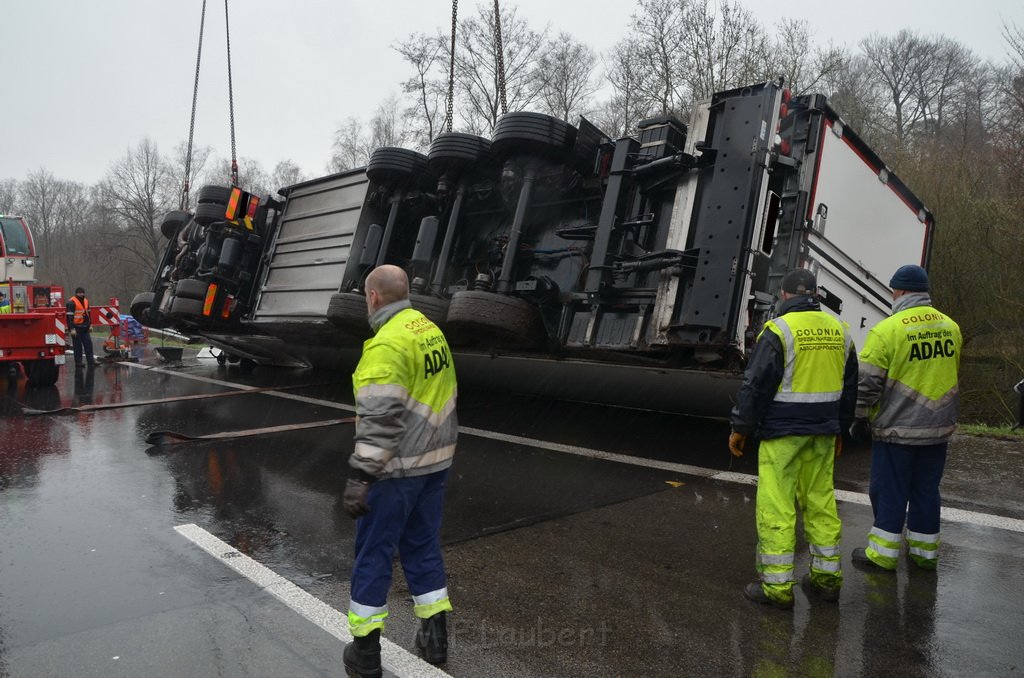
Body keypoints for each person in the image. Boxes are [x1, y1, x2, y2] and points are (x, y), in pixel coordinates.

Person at [341, 264, 458, 678]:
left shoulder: (385, 346)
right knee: (422, 547)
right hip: (435, 462)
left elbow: (379, 420)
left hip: (397, 471)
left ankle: (365, 654)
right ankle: (435, 637)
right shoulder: (428, 329)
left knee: (373, 555)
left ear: (372, 297)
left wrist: (361, 477)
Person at [729, 268, 858, 608]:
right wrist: (842, 429)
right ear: (815, 295)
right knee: (821, 502)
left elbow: (755, 386)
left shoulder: (778, 330)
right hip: (824, 434)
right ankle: (827, 580)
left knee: (777, 506)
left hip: (783, 434)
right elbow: (850, 390)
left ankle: (776, 588)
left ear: (784, 296)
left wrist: (741, 428)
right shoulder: (840, 331)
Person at [849, 264, 961, 572]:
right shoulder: (951, 327)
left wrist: (858, 418)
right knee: (926, 490)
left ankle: (882, 555)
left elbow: (867, 385)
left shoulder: (887, 331)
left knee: (890, 490)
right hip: (938, 429)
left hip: (897, 429)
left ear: (898, 291)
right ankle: (924, 555)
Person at [66, 286, 96, 367]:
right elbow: (69, 317)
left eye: (82, 292)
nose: (81, 294)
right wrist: (71, 329)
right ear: (76, 293)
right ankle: (78, 363)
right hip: (76, 328)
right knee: (77, 347)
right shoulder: (71, 302)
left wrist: (90, 325)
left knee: (88, 345)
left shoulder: (86, 301)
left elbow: (88, 314)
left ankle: (91, 361)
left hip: (85, 327)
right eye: (79, 293)